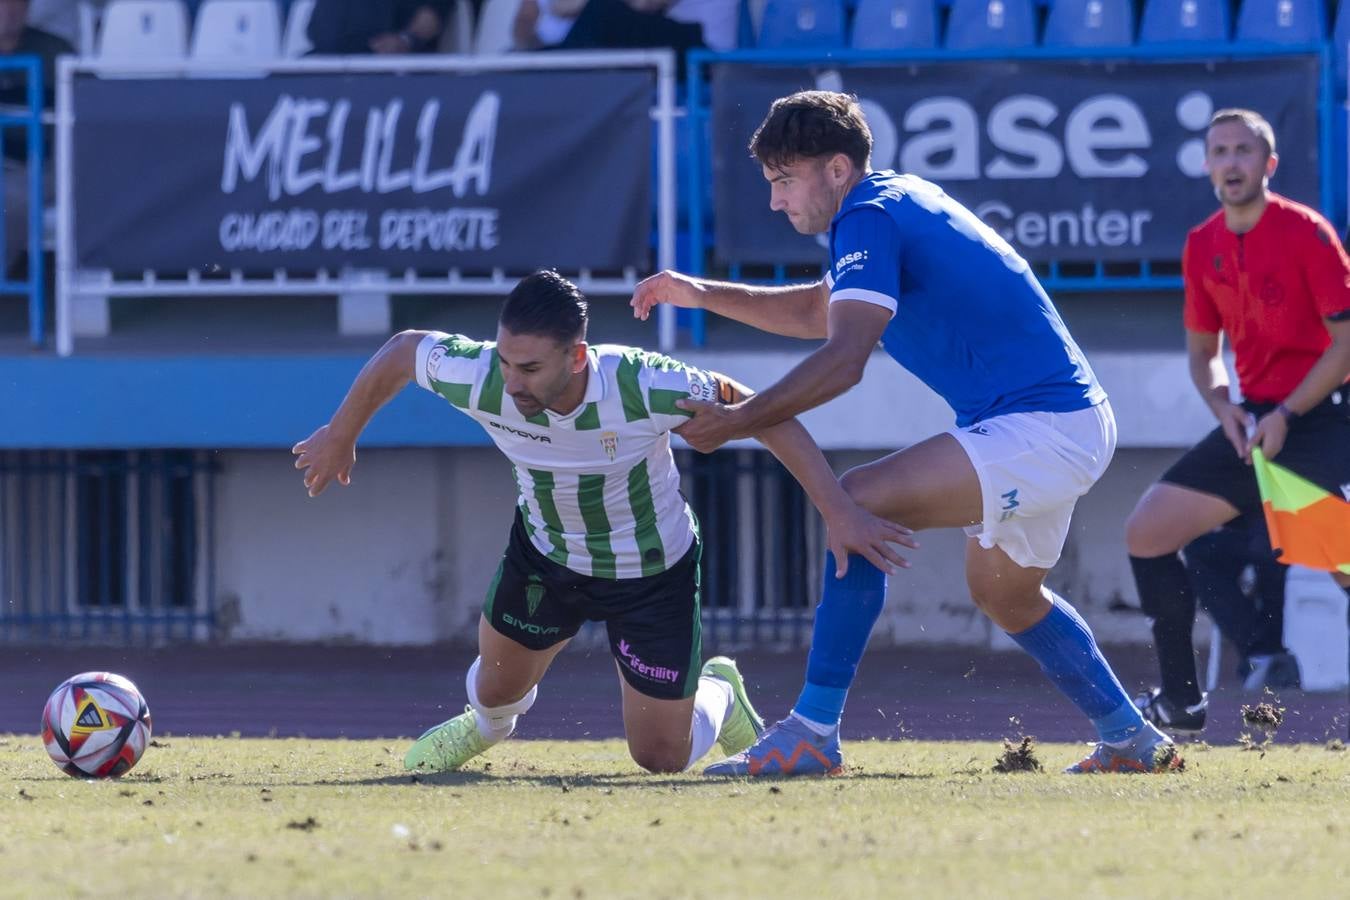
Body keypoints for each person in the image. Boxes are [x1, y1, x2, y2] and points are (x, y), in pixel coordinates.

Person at [632, 90, 1176, 775]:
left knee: (859, 499)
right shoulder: (888, 203)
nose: (775, 201)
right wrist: (702, 292)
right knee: (1006, 596)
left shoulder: (869, 213)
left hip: (1044, 426)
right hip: (1056, 424)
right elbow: (820, 311)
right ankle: (1131, 740)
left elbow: (845, 358)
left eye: (784, 180)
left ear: (836, 169)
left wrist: (742, 420)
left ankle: (813, 731)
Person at [293, 270, 908, 774]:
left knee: (661, 759)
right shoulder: (482, 377)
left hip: (651, 574)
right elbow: (404, 351)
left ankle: (720, 691)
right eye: (506, 361)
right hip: (546, 558)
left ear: (578, 356)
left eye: (530, 368)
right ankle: (486, 727)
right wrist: (340, 434)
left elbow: (762, 412)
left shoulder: (644, 383)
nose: (512, 382)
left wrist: (838, 510)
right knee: (493, 694)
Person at [1124, 108, 1350, 734]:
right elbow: (1204, 355)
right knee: (1147, 533)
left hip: (1322, 419)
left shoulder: (1307, 232)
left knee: (1345, 564)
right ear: (1206, 166)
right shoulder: (1202, 244)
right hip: (1253, 427)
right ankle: (1181, 702)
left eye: (1243, 151)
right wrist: (1224, 407)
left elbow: (1346, 345)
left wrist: (1288, 412)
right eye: (1219, 151)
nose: (1231, 162)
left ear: (1268, 164)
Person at [0, 0, 69, 272]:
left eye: (16, 3)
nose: (8, 11)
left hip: (42, 163)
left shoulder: (54, 51)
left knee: (7, 198)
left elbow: (88, 113)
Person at [306, 0, 450, 55]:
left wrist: (405, 40)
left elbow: (430, 19)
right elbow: (318, 30)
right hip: (328, 64)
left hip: (391, 67)